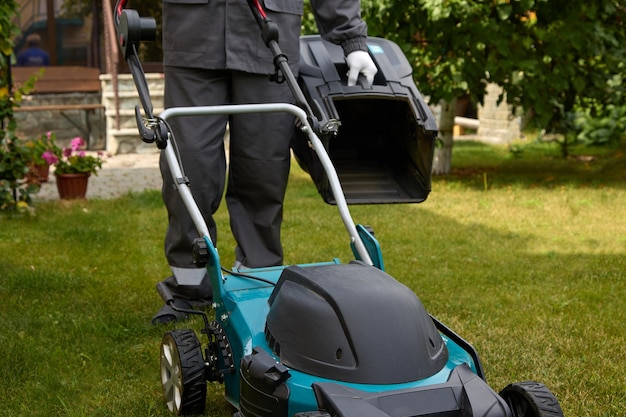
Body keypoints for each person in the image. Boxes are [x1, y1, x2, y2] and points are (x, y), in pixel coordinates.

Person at [152, 0, 377, 324]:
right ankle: (189, 287)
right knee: (189, 165)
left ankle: (257, 279)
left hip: (269, 37)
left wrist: (351, 39)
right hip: (192, 34)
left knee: (263, 166)